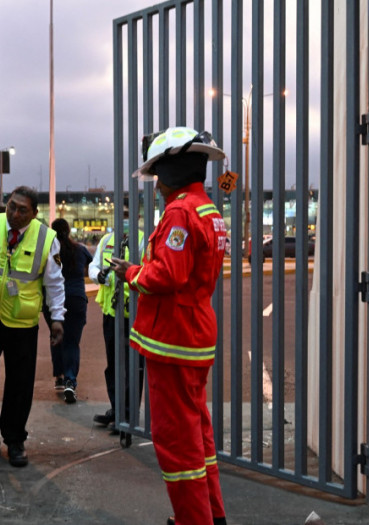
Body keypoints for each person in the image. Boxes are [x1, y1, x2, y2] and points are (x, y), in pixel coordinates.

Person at [110, 127, 228, 525]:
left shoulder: (179, 212)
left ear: (172, 172)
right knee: (198, 437)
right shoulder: (206, 207)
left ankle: (194, 520)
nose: (156, 183)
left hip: (173, 341)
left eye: (158, 172)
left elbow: (166, 276)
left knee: (176, 443)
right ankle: (211, 515)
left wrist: (131, 273)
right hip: (192, 338)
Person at [0, 186, 65, 467]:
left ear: (35, 213)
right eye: (11, 206)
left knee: (20, 382)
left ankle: (14, 439)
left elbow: (55, 283)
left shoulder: (48, 239)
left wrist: (57, 318)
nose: (14, 213)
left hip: (22, 321)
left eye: (23, 210)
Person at [88, 214, 145, 430]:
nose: (122, 221)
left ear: (136, 218)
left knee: (134, 366)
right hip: (112, 312)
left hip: (135, 314)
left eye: (126, 216)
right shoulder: (106, 241)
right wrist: (98, 275)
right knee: (113, 364)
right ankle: (116, 409)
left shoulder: (142, 240)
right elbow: (93, 266)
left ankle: (128, 415)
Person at [42, 218, 92, 403]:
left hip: (53, 300)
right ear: (69, 231)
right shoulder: (80, 249)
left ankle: (59, 377)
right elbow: (89, 267)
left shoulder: (49, 250)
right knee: (72, 341)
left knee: (56, 336)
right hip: (77, 299)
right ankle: (71, 380)